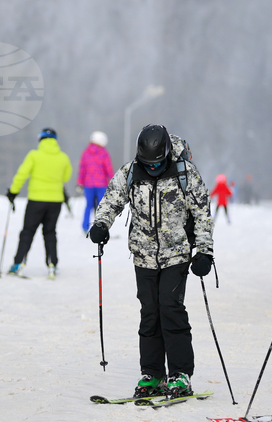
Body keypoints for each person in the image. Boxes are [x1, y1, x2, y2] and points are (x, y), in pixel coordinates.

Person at [87, 124, 213, 400]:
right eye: (148, 164)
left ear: (166, 154)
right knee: (150, 313)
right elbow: (111, 200)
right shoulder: (131, 172)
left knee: (171, 309)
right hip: (143, 255)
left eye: (157, 164)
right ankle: (152, 373)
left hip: (176, 254)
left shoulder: (184, 173)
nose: (152, 168)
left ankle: (180, 374)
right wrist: (101, 224)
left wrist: (205, 252)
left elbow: (202, 212)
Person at [6, 128, 73, 279]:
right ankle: (52, 264)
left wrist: (13, 192)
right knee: (50, 232)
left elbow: (22, 174)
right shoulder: (63, 157)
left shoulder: (34, 155)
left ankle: (18, 263)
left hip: (36, 200)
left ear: (40, 139)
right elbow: (66, 177)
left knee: (28, 232)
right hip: (55, 202)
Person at [77, 130, 114, 234]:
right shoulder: (104, 153)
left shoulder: (85, 153)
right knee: (101, 207)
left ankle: (85, 227)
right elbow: (108, 169)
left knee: (88, 206)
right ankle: (100, 227)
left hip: (88, 184)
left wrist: (80, 182)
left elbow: (82, 169)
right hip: (101, 184)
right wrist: (114, 181)